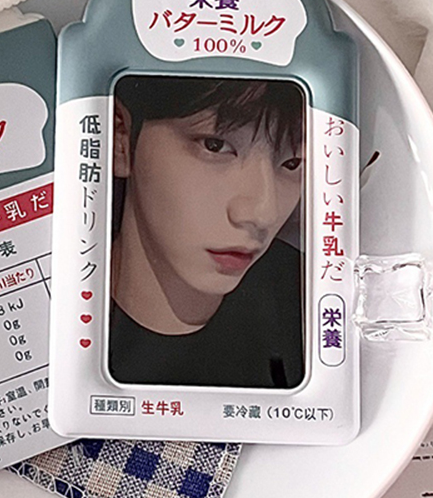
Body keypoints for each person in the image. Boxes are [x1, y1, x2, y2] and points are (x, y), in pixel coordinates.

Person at [110, 74, 305, 389]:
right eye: (215, 146)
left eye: (293, 163)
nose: (262, 213)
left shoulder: (314, 299)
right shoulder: (48, 306)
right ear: (119, 138)